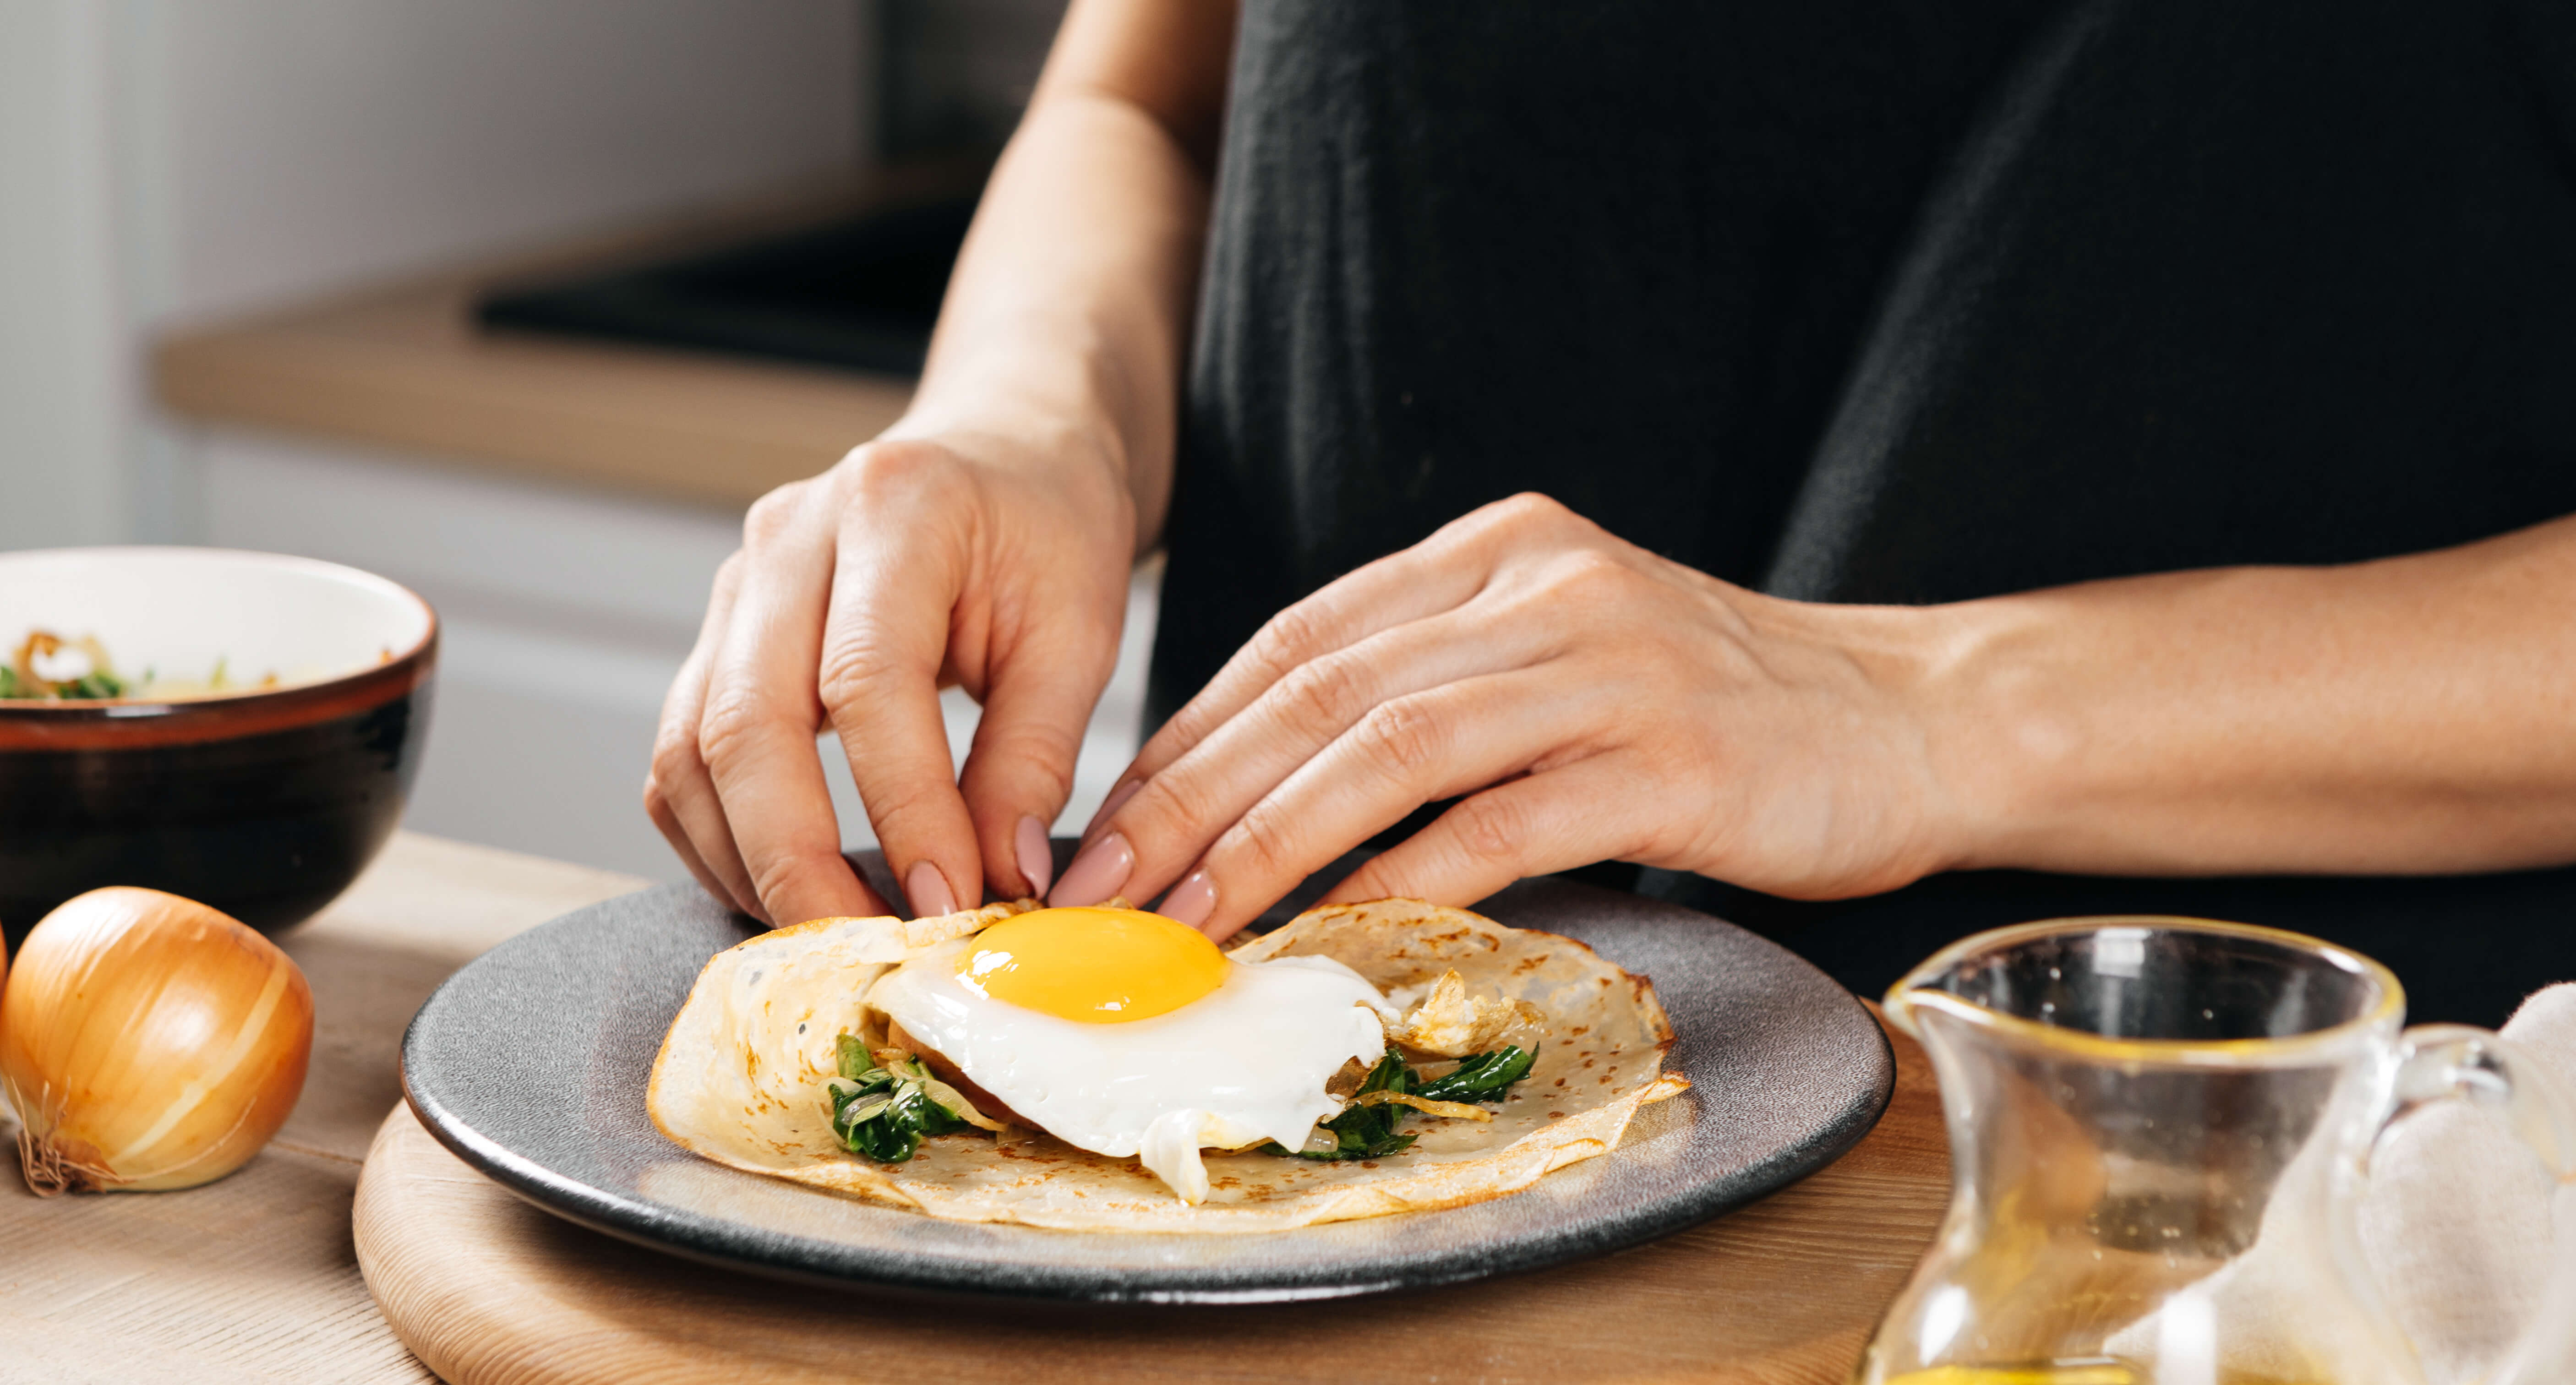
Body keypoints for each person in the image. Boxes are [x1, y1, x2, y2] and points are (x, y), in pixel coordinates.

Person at [646, 0, 2576, 1025]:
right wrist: (1029, 411)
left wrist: (1915, 707)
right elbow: (1147, 96)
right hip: (1297, 1179)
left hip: (2222, 1296)